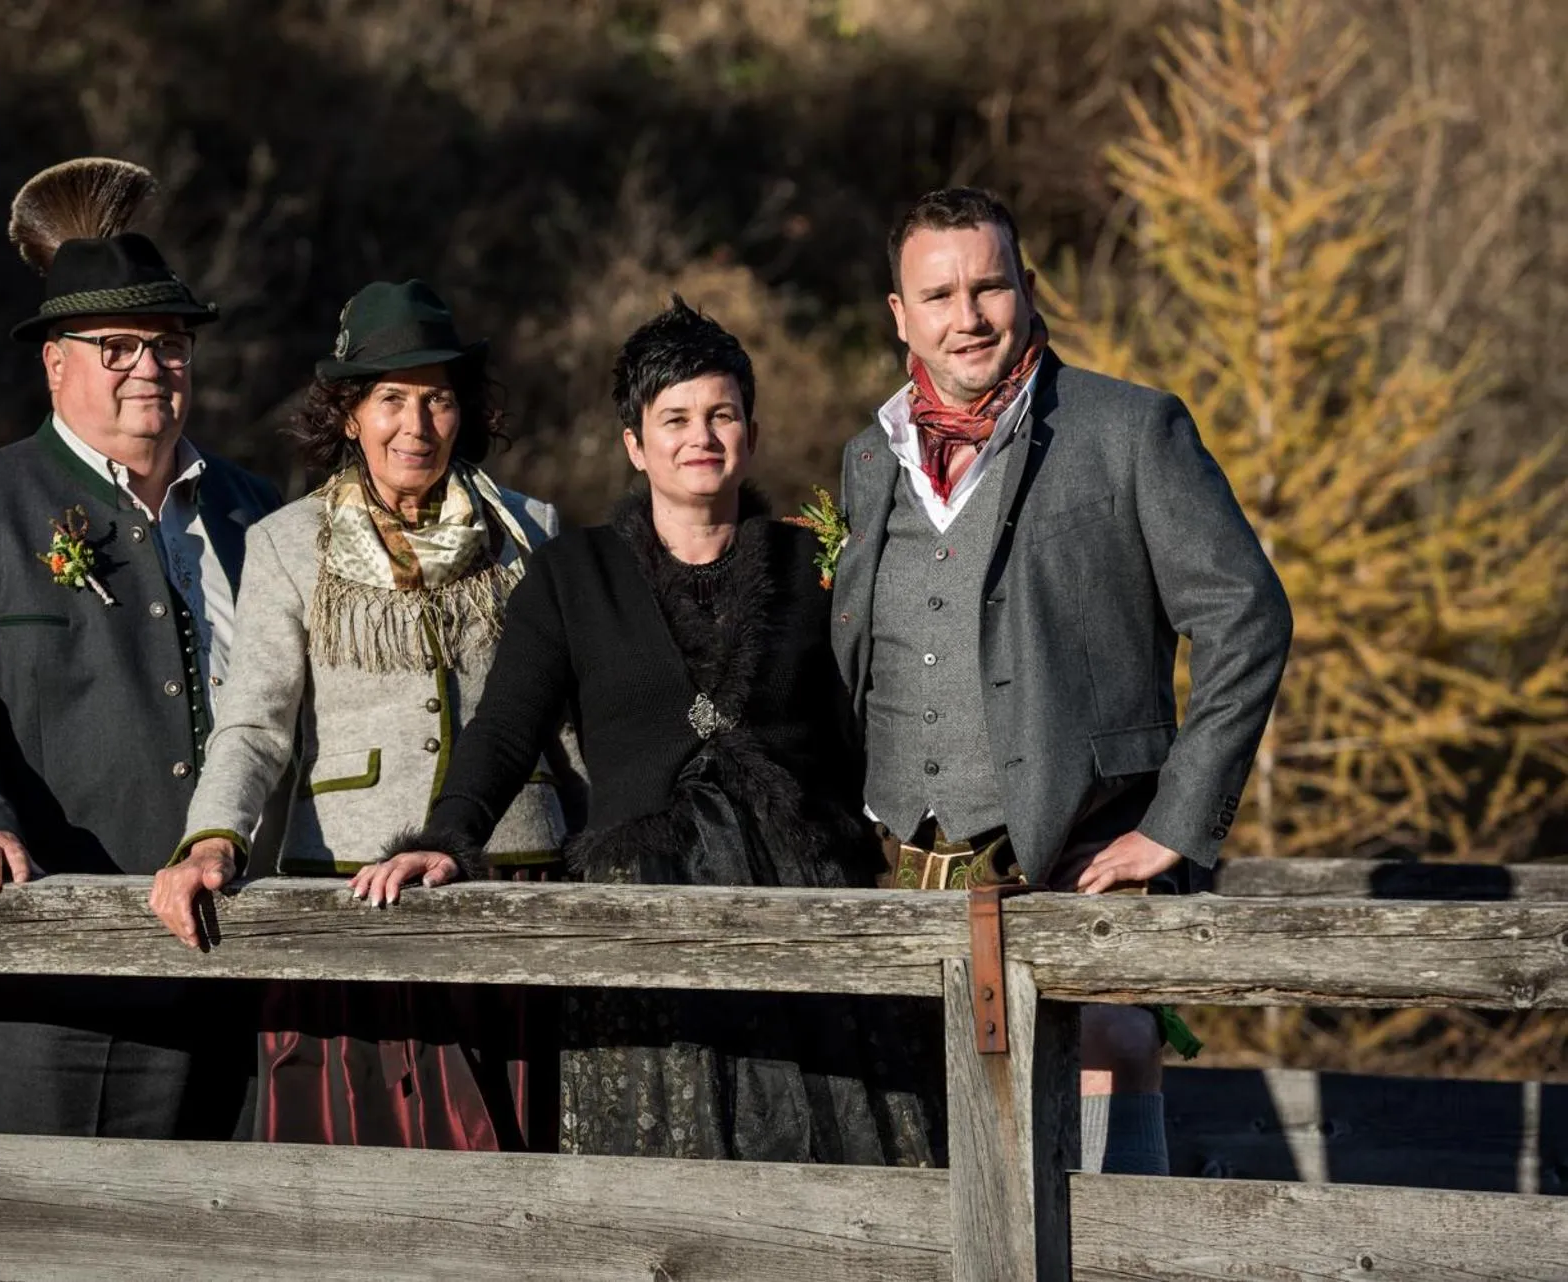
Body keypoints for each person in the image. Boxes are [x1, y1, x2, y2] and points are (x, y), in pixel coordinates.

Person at [362, 298, 938, 1165]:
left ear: (749, 430)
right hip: (641, 913)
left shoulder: (816, 565)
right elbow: (506, 727)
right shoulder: (571, 574)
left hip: (808, 913)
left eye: (720, 413)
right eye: (673, 418)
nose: (698, 435)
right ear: (635, 443)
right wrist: (446, 838)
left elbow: (877, 719)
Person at [832, 187, 1292, 1173]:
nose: (967, 316)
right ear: (898, 315)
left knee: (1108, 1083)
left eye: (989, 285)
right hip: (906, 877)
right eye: (939, 293)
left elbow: (1243, 615)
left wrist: (1175, 822)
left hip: (1074, 850)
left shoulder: (1129, 430)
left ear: (1027, 291)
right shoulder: (867, 460)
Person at [0, 158, 282, 1138]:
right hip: (60, 959)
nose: (151, 367)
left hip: (249, 949)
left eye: (170, 344)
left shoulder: (256, 511)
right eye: (118, 346)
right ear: (56, 362)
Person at [149, 279, 576, 1150]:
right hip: (348, 890)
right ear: (347, 414)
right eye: (390, 400)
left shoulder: (531, 530)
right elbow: (255, 721)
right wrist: (211, 840)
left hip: (509, 872)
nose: (414, 426)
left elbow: (572, 718)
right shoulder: (285, 542)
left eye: (437, 400)